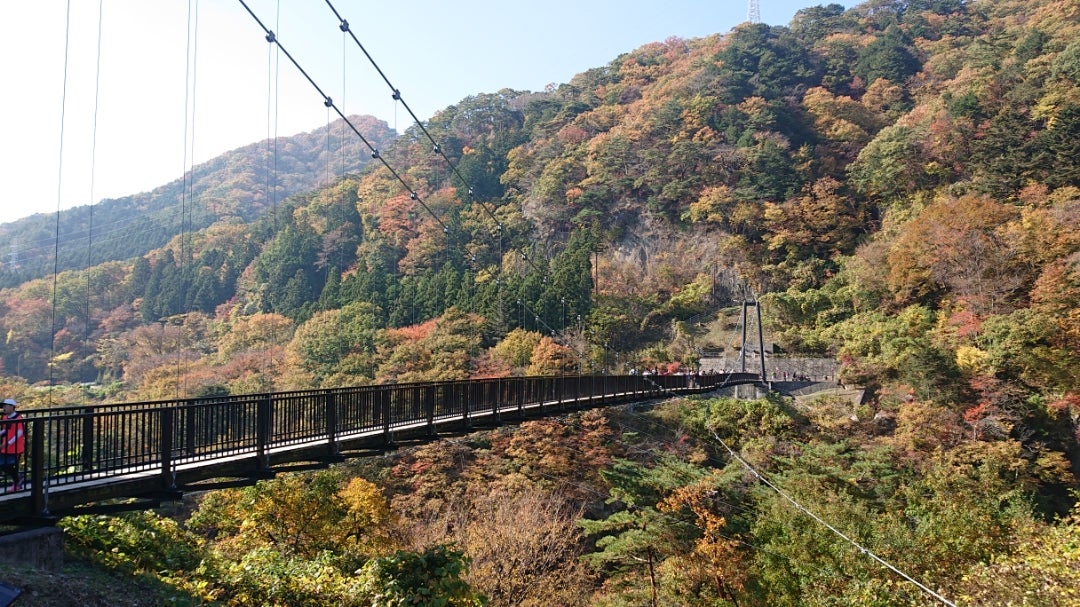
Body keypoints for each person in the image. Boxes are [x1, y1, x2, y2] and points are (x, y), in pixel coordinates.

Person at [0, 398, 25, 492]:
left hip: (15, 447)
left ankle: (17, 483)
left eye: (5, 406)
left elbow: (19, 433)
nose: (3, 408)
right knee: (3, 464)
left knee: (9, 465)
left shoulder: (18, 417)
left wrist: (8, 443)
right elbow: (5, 430)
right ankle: (18, 478)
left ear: (11, 407)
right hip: (5, 447)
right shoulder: (5, 417)